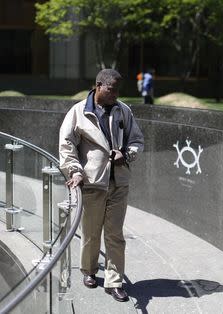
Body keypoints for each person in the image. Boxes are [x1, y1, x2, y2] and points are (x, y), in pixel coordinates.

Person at [59, 69, 144, 302]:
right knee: (90, 232)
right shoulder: (78, 112)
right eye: (111, 89)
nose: (116, 94)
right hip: (92, 183)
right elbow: (66, 146)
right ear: (98, 86)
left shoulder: (123, 110)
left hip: (119, 183)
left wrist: (126, 154)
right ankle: (88, 271)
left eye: (118, 90)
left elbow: (137, 140)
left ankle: (114, 282)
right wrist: (75, 171)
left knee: (115, 234)